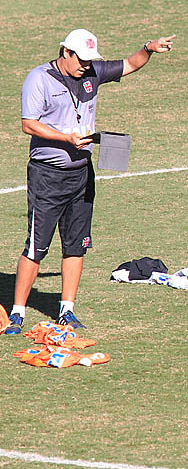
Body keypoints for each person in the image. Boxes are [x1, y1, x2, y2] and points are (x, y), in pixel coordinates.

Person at [3, 29, 175, 335]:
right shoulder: (39, 79)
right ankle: (17, 313)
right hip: (47, 176)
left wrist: (148, 48)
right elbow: (28, 124)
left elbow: (130, 64)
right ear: (66, 53)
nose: (86, 65)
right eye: (81, 59)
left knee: (76, 245)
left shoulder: (92, 71)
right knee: (36, 246)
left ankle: (66, 310)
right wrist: (66, 138)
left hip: (82, 174)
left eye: (89, 60)